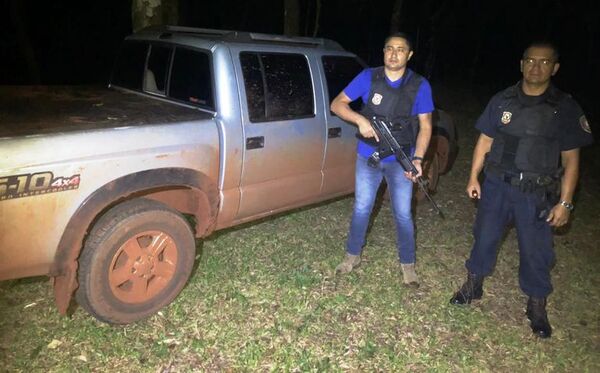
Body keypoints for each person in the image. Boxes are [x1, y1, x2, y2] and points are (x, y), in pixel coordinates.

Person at [450, 41, 594, 338]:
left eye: (544, 62)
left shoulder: (564, 107)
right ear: (521, 64)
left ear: (554, 68)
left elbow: (571, 160)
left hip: (537, 193)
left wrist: (565, 203)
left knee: (537, 251)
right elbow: (485, 141)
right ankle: (472, 285)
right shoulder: (503, 100)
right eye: (530, 61)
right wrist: (473, 177)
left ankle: (536, 304)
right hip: (497, 185)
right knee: (484, 237)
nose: (536, 67)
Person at [330, 32, 433, 287]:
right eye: (389, 48)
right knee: (362, 207)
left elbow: (426, 126)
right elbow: (337, 104)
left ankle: (407, 265)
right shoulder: (368, 77)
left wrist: (418, 159)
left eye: (400, 49)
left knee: (403, 213)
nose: (394, 53)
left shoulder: (420, 85)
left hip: (402, 159)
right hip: (369, 157)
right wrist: (360, 119)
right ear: (383, 52)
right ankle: (351, 256)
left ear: (409, 55)